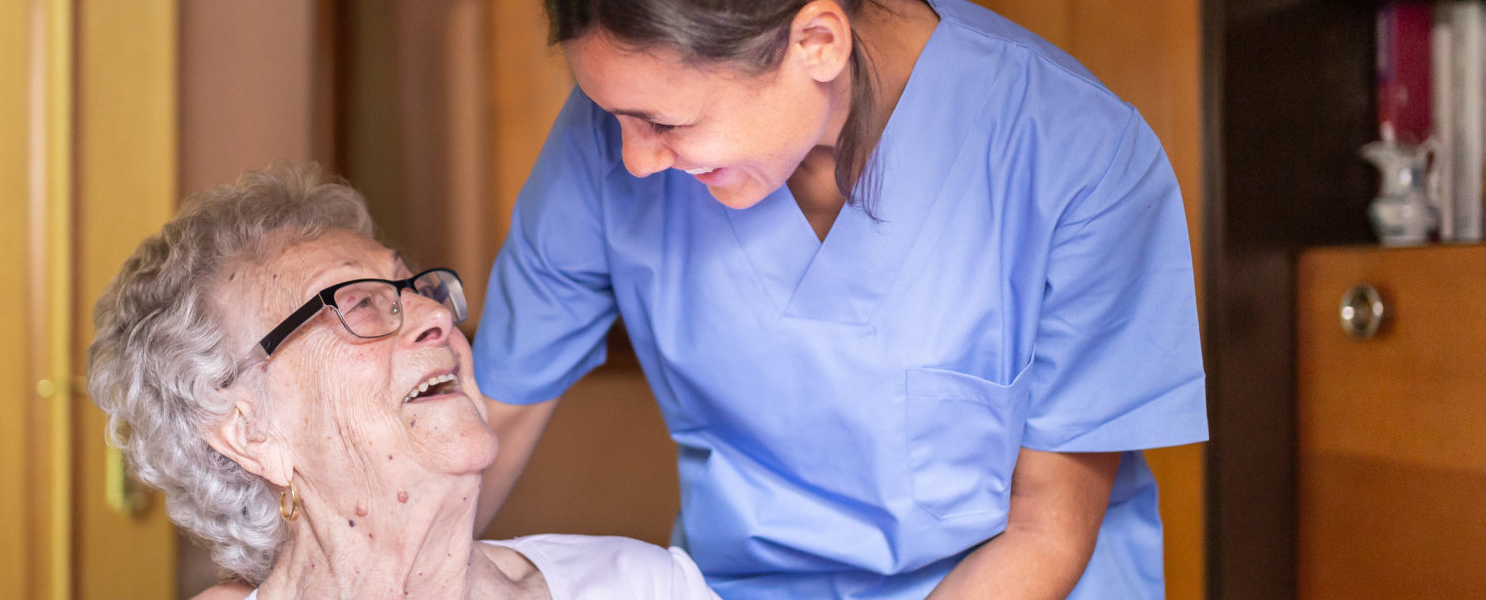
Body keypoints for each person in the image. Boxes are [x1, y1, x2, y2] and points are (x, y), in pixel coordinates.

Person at [474, 1, 1208, 599]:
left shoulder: (1075, 155)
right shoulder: (610, 129)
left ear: (817, 42)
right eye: (613, 117)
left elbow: (1047, 530)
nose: (632, 160)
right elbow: (493, 418)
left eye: (667, 126)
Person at [86, 163, 722, 599]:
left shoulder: (642, 585)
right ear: (249, 431)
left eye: (414, 286)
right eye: (356, 304)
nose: (437, 315)